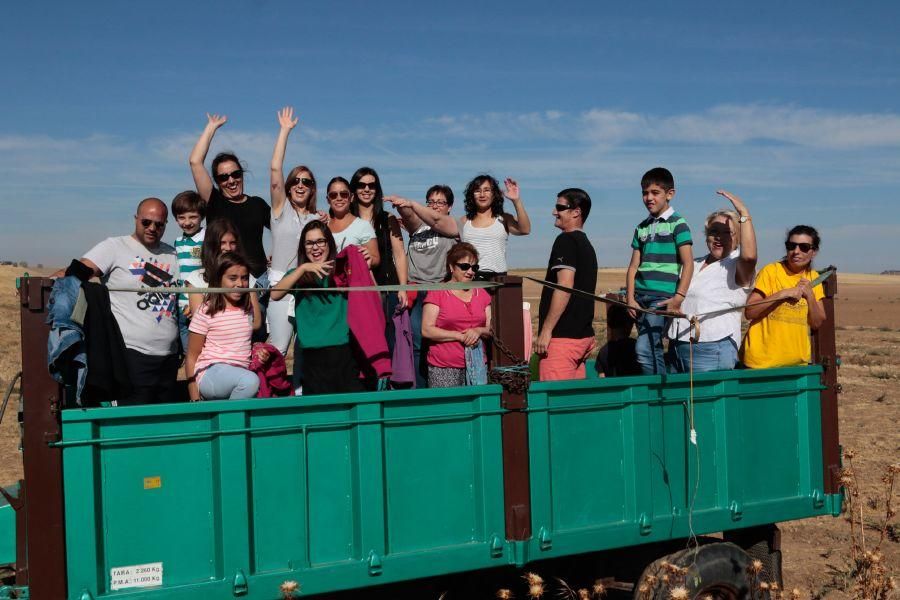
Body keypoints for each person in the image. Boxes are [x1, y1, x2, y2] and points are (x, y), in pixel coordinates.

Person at [75, 198, 181, 405]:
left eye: (159, 224)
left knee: (163, 424)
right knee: (134, 424)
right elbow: (78, 271)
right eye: (146, 222)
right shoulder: (115, 246)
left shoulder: (172, 254)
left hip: (169, 358)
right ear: (136, 219)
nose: (152, 228)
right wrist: (46, 282)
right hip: (131, 355)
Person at [271, 221, 365, 395]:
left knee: (349, 407)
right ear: (303, 247)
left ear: (329, 243)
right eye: (309, 243)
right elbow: (275, 294)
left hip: (343, 350)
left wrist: (364, 259)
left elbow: (369, 290)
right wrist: (303, 268)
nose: (315, 247)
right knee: (320, 412)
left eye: (320, 241)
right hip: (312, 354)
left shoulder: (342, 269)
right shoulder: (298, 274)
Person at [668, 190, 758, 372]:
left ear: (739, 238)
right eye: (713, 232)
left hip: (713, 347)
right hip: (677, 345)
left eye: (727, 233)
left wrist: (744, 214)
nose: (719, 237)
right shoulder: (692, 264)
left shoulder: (736, 265)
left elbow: (749, 257)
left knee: (706, 400)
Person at [267, 106, 327, 357]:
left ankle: (302, 394)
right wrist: (284, 131)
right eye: (296, 181)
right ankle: (266, 393)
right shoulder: (281, 210)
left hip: (308, 286)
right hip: (281, 284)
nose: (300, 185)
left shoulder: (318, 219)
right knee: (278, 347)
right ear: (289, 187)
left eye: (307, 182)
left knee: (306, 348)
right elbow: (274, 171)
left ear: (313, 189)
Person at [387, 185, 459, 387]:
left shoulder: (451, 226)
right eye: (431, 202)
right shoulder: (418, 226)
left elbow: (434, 219)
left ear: (449, 206)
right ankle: (418, 386)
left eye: (440, 202)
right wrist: (401, 206)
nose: (435, 206)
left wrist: (410, 204)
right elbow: (410, 218)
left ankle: (436, 384)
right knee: (415, 341)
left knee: (432, 341)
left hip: (437, 290)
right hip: (414, 289)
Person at [625, 167, 694, 375]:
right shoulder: (641, 227)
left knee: (644, 349)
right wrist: (630, 297)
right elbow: (633, 267)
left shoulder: (678, 224)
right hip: (640, 297)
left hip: (661, 298)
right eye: (645, 193)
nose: (648, 198)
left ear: (669, 194)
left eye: (655, 193)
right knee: (652, 348)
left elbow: (688, 263)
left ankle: (657, 398)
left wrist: (678, 298)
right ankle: (660, 396)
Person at [188, 113, 271, 278]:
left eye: (235, 174)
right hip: (222, 279)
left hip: (258, 282)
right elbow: (195, 161)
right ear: (217, 182)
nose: (231, 180)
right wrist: (211, 127)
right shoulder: (214, 201)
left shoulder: (258, 204)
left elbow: (283, 229)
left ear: (242, 173)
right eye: (224, 177)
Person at [400, 175, 530, 278]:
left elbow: (525, 229)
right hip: (470, 278)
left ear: (494, 194)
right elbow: (436, 221)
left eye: (487, 190)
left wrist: (516, 200)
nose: (482, 194)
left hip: (498, 278)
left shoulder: (503, 219)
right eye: (477, 191)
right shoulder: (463, 221)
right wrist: (412, 209)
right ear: (471, 195)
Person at [739, 225, 826, 369]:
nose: (796, 251)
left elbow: (817, 322)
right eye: (791, 246)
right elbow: (750, 312)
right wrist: (782, 294)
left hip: (796, 364)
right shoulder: (771, 272)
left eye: (803, 247)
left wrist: (810, 295)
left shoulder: (813, 278)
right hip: (761, 363)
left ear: (814, 251)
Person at [534, 188, 598, 381]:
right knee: (572, 406)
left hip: (563, 340)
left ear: (576, 212)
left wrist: (546, 331)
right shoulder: (586, 245)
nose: (555, 212)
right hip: (582, 338)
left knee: (554, 405)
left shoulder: (566, 241)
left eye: (560, 207)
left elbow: (565, 286)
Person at [185, 252, 264, 401]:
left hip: (239, 374)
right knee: (250, 382)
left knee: (251, 383)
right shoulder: (206, 310)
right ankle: (229, 422)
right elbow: (191, 356)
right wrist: (194, 398)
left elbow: (240, 343)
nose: (240, 284)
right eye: (232, 278)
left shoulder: (248, 309)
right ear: (219, 279)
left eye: (244, 278)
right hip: (210, 373)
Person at [349, 167, 408, 352]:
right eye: (361, 185)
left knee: (386, 338)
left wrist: (402, 288)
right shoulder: (346, 219)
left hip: (386, 289)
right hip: (355, 290)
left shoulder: (388, 218)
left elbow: (399, 254)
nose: (366, 189)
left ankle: (386, 380)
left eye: (371, 185)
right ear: (354, 189)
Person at [422, 243, 492, 388]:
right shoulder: (437, 293)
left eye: (475, 267)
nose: (470, 272)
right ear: (451, 267)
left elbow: (491, 327)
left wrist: (478, 331)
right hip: (444, 368)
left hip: (478, 365)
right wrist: (459, 336)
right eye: (465, 266)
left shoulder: (483, 294)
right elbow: (427, 330)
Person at [186, 219, 248, 318]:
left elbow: (255, 321)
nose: (228, 248)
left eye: (232, 243)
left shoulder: (246, 276)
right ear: (211, 245)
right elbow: (199, 321)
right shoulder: (196, 278)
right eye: (222, 242)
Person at [171, 190, 206, 352]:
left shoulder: (207, 238)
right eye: (181, 217)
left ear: (202, 217)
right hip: (181, 305)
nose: (187, 222)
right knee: (188, 352)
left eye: (192, 217)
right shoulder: (178, 242)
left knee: (204, 352)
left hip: (200, 303)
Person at [326, 176, 380, 264]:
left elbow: (376, 258)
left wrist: (370, 258)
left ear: (351, 197)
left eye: (344, 194)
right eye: (333, 195)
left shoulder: (363, 226)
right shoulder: (323, 226)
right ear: (328, 200)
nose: (339, 198)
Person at [595, 304, 641, 378]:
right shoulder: (636, 347)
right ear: (629, 324)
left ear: (610, 324)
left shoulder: (603, 351)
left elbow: (602, 377)